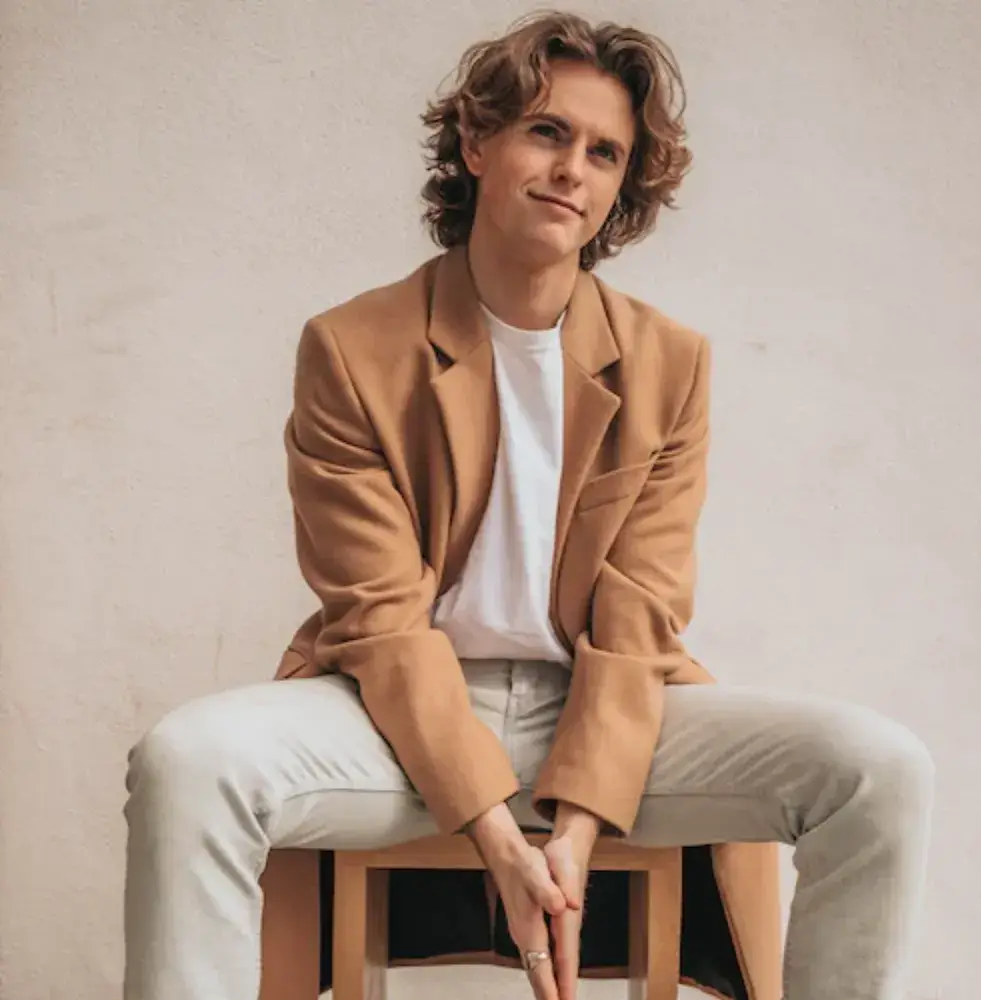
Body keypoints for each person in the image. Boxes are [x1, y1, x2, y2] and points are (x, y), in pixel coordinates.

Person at [123, 11, 936, 1000]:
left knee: (877, 767)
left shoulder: (669, 364)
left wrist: (580, 828)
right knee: (184, 761)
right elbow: (377, 620)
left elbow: (638, 620)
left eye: (605, 152)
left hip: (602, 712)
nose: (572, 170)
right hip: (389, 713)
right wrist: (500, 837)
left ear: (619, 188)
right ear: (476, 143)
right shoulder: (350, 347)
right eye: (547, 132)